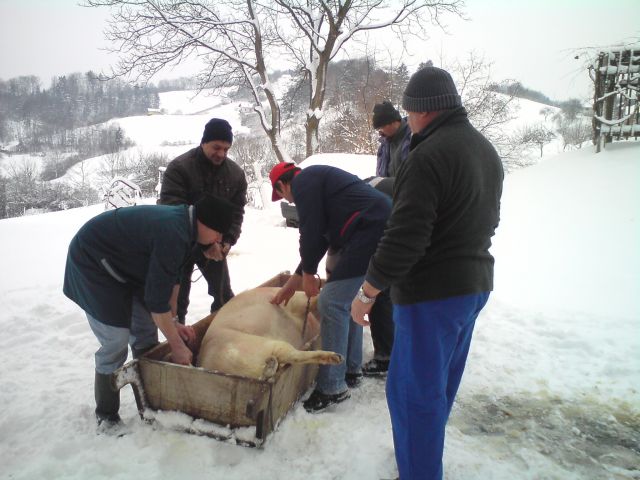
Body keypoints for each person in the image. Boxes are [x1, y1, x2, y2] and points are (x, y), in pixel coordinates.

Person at [351, 67, 504, 479]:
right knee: (436, 388)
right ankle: (417, 457)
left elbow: (404, 238)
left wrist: (368, 291)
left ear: (421, 110)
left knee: (412, 395)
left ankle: (418, 469)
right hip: (473, 287)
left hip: (431, 295)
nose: (406, 120)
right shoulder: (484, 150)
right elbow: (489, 219)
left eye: (408, 111)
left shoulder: (425, 156)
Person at [63, 195, 238, 430]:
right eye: (218, 233)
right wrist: (176, 345)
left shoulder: (189, 230)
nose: (218, 240)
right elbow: (157, 304)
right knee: (115, 341)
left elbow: (174, 280)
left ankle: (151, 401)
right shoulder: (173, 233)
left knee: (145, 333)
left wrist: (173, 322)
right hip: (93, 263)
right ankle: (106, 415)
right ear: (205, 223)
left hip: (125, 267)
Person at [269, 162, 391, 412]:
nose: (290, 202)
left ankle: (332, 387)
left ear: (282, 184)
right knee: (345, 300)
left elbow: (310, 232)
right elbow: (321, 239)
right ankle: (350, 369)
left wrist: (310, 273)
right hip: (373, 226)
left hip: (370, 228)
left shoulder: (305, 181)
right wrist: (297, 279)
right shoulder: (318, 182)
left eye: (282, 195)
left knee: (332, 301)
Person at [159, 118, 247, 322]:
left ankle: (224, 330)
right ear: (203, 142)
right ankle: (177, 335)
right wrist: (201, 243)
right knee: (177, 299)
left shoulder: (235, 175)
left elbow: (236, 212)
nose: (221, 154)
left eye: (226, 149)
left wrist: (228, 240)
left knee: (224, 294)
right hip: (180, 245)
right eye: (216, 147)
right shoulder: (179, 168)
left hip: (215, 244)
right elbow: (171, 212)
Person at [359, 100, 413, 377]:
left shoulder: (412, 139)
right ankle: (394, 350)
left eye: (383, 127)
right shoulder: (386, 143)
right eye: (377, 129)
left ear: (395, 121)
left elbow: (410, 182)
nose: (380, 133)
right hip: (389, 212)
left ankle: (387, 356)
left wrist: (381, 187)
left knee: (386, 292)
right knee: (392, 292)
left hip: (405, 215)